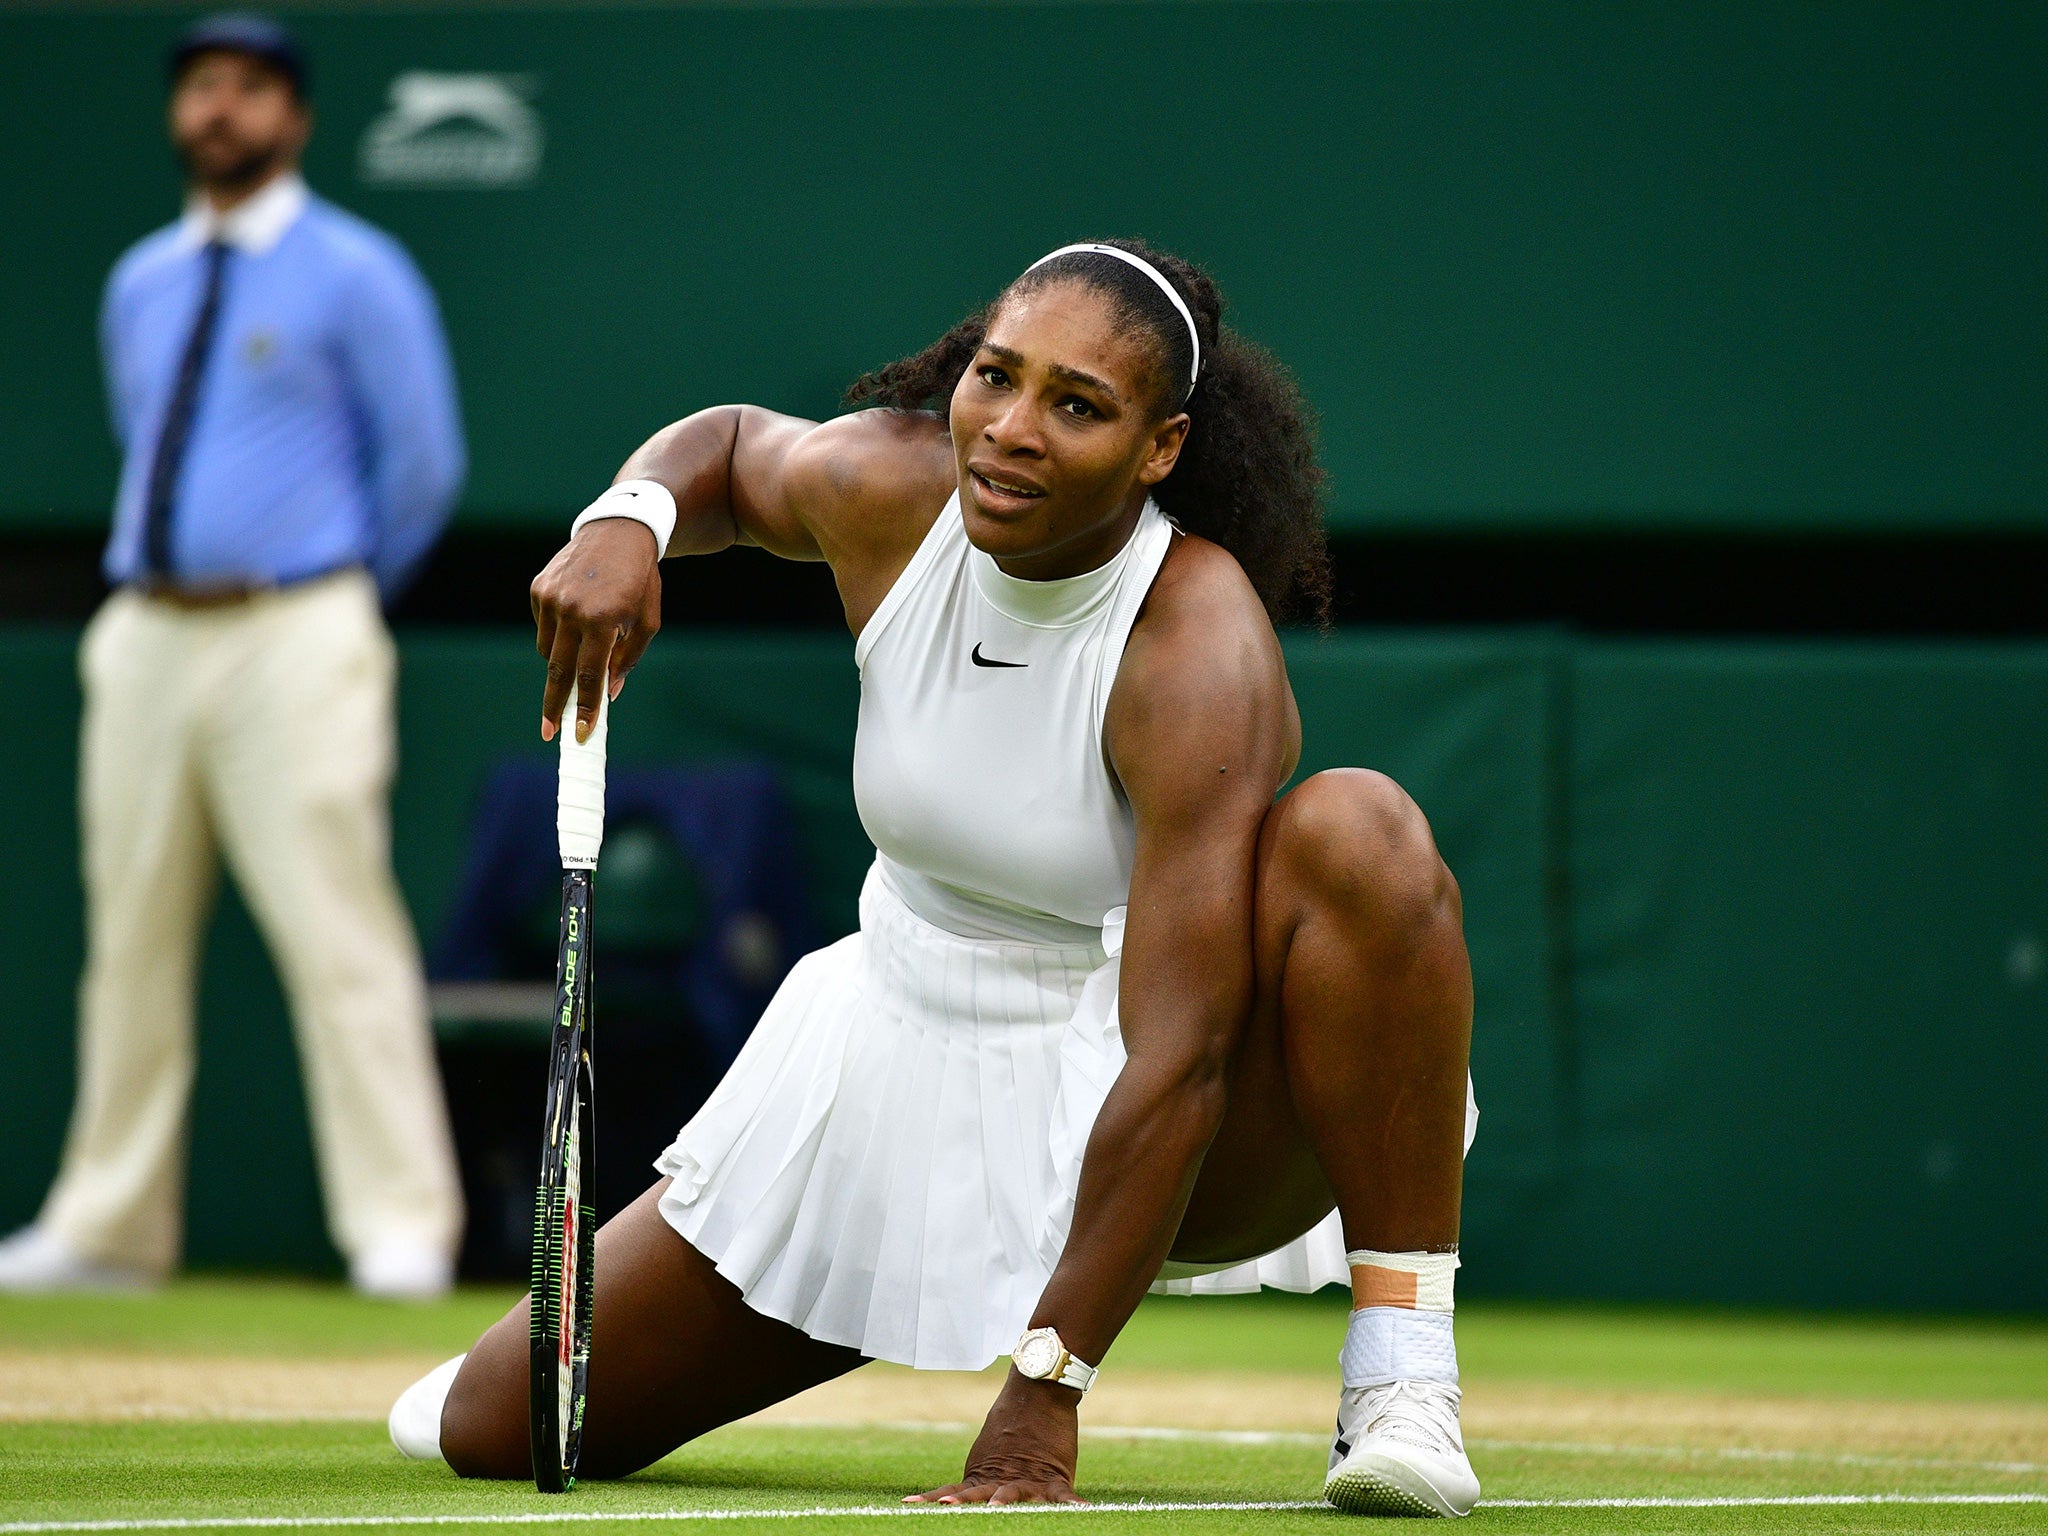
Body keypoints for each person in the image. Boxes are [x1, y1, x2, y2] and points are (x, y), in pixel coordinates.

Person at [390, 240, 1481, 1514]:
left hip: (1156, 1102)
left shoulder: (1194, 649)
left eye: (1075, 406)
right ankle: (905, 1269)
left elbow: (1178, 1055)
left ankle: (1402, 1376)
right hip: (893, 1067)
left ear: (1159, 449)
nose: (1009, 431)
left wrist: (1042, 1395)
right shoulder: (890, 489)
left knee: (1362, 831)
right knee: (493, 1425)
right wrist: (624, 523)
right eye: (992, 377)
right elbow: (734, 450)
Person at [0, 14, 467, 1300]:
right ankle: (107, 1225)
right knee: (130, 934)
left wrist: (334, 595)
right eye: (202, 87)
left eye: (249, 90)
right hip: (145, 629)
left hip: (297, 628)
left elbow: (422, 466)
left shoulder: (359, 271)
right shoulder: (142, 279)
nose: (221, 110)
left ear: (295, 118)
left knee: (338, 925)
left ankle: (399, 1224)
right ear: (177, 113)